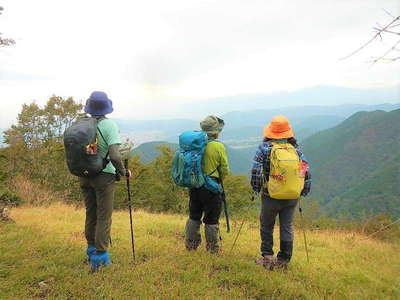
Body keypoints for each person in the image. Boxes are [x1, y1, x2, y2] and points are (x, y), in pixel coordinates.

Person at [250, 115, 311, 269]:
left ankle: (268, 257)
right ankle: (283, 260)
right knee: (286, 226)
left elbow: (256, 171)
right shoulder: (296, 149)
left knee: (267, 225)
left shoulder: (264, 148)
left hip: (270, 194)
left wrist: (256, 188)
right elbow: (305, 171)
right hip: (292, 195)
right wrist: (303, 190)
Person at [79, 91, 131, 271]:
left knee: (91, 213)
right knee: (104, 216)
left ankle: (90, 250)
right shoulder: (109, 125)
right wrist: (123, 171)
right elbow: (115, 155)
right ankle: (100, 257)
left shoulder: (83, 124)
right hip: (104, 177)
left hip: (85, 175)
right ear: (106, 108)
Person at [185, 116, 230, 253]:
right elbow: (224, 169)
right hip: (211, 186)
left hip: (194, 184)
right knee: (211, 218)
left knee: (194, 215)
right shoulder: (218, 146)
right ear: (216, 132)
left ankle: (191, 245)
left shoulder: (194, 144)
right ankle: (212, 249)